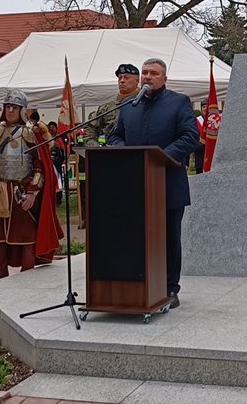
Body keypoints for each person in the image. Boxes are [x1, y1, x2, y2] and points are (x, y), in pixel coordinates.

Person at [108, 58, 199, 308]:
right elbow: (115, 136)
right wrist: (124, 151)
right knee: (135, 237)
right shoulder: (129, 106)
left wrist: (160, 157)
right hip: (134, 185)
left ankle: (170, 288)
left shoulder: (178, 102)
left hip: (167, 184)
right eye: (145, 72)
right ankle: (140, 284)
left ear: (164, 79)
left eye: (154, 73)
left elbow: (190, 136)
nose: (148, 77)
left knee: (168, 239)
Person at [0, 90, 63, 279]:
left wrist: (32, 192)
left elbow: (40, 166)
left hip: (21, 193)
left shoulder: (30, 132)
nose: (10, 110)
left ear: (22, 110)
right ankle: (1, 282)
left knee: (27, 239)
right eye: (7, 106)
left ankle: (26, 283)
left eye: (14, 107)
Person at [85, 63, 142, 146]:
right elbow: (90, 128)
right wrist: (96, 147)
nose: (122, 81)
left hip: (139, 149)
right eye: (120, 78)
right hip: (111, 150)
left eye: (126, 77)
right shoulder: (108, 106)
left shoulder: (145, 101)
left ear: (137, 80)